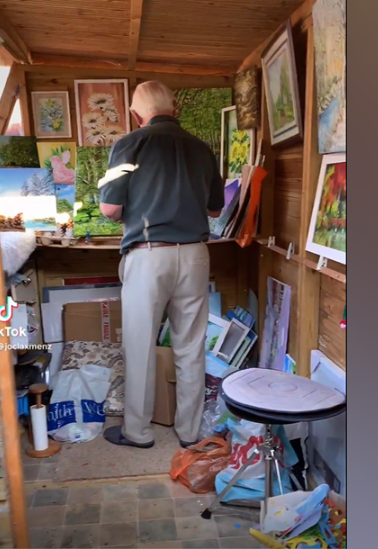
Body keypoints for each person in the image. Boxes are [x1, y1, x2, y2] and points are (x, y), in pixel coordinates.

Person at [98, 81, 224, 449]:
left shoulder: (129, 143)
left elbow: (109, 209)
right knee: (190, 346)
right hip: (196, 254)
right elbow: (215, 209)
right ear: (174, 109)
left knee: (140, 345)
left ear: (138, 114)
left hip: (150, 254)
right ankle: (189, 432)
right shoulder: (202, 148)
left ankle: (137, 432)